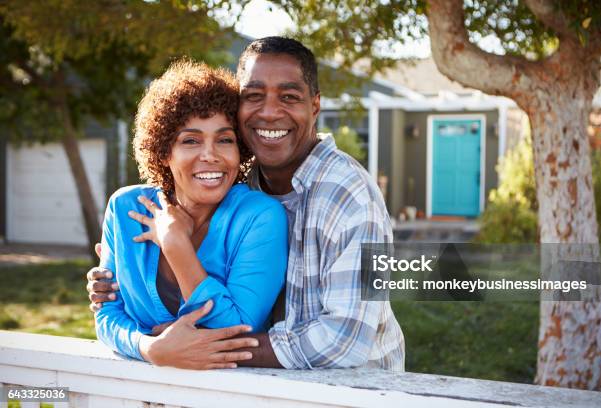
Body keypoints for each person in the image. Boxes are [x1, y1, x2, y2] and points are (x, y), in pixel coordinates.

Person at [88, 37, 405, 371]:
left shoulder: (351, 196)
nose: (269, 112)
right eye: (253, 96)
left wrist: (197, 346)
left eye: (289, 96)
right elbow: (109, 311)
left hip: (358, 390)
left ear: (315, 106)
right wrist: (150, 346)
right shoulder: (250, 182)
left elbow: (347, 340)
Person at [94, 60, 288, 368]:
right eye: (191, 140)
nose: (210, 155)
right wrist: (149, 347)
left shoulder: (259, 217)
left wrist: (174, 244)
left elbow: (237, 332)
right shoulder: (125, 209)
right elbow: (106, 313)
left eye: (225, 140)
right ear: (164, 152)